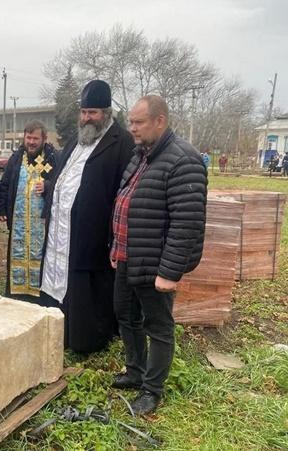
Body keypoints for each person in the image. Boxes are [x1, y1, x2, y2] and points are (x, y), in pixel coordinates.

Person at [110, 95, 207, 415]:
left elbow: (187, 222)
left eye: (138, 122)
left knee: (158, 326)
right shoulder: (143, 155)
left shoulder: (183, 160)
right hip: (128, 255)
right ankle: (135, 371)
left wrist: (170, 271)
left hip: (154, 263)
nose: (132, 128)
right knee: (125, 315)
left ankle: (152, 390)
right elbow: (127, 201)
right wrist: (116, 246)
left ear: (160, 121)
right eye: (132, 122)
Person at [41, 80, 134, 353]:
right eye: (83, 112)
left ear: (106, 112)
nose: (86, 118)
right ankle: (57, 331)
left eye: (92, 112)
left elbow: (124, 188)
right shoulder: (75, 140)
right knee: (58, 277)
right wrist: (49, 210)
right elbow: (60, 177)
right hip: (61, 228)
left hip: (92, 231)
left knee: (87, 284)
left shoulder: (122, 142)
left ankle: (85, 338)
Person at [0, 120, 58, 303]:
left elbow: (61, 184)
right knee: (18, 254)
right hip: (19, 223)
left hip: (42, 223)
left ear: (44, 139)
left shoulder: (53, 158)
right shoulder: (16, 158)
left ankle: (40, 296)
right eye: (28, 137)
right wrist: (1, 207)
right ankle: (17, 295)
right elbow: (5, 184)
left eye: (35, 138)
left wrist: (47, 186)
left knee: (41, 257)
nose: (31, 142)